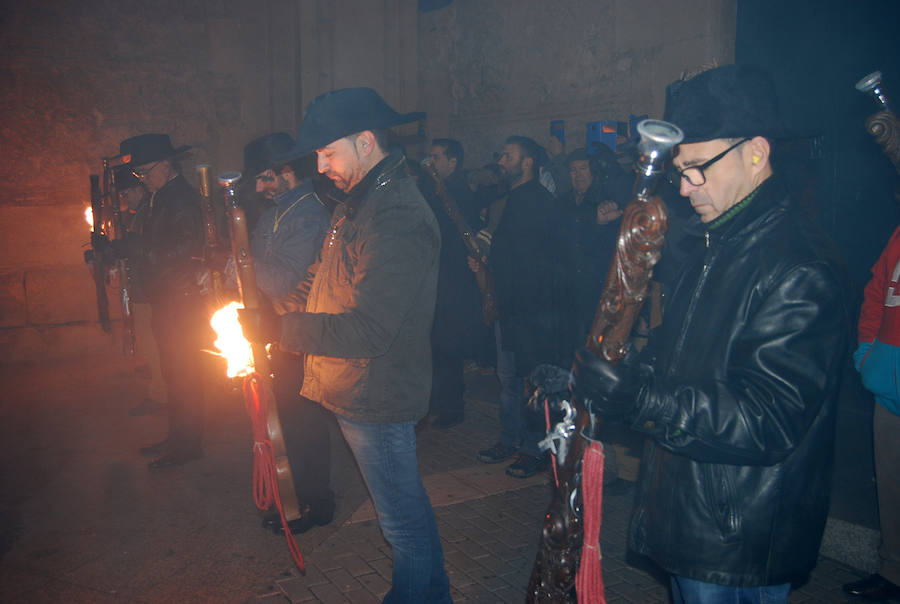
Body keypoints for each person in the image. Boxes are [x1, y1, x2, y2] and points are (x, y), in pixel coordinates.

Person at [571, 64, 849, 603]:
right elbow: (686, 363)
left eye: (698, 167)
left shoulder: (798, 267)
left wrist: (641, 397)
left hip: (737, 536)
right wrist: (601, 376)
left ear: (756, 152)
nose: (683, 185)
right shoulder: (718, 240)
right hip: (696, 515)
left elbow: (766, 419)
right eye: (680, 168)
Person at [241, 87, 451, 603]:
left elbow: (369, 329)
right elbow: (319, 277)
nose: (319, 165)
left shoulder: (395, 214)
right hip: (356, 384)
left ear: (365, 141)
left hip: (377, 391)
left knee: (401, 525)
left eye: (327, 152)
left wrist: (278, 331)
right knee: (407, 510)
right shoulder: (361, 199)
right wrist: (273, 310)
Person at [229, 132, 334, 534]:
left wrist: (236, 260)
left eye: (266, 178)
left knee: (302, 422)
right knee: (283, 421)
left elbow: (279, 281)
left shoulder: (307, 215)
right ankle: (290, 496)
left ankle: (316, 502)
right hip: (276, 330)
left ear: (288, 172)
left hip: (300, 332)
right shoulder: (277, 210)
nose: (259, 188)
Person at [474, 135, 566, 479]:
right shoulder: (510, 200)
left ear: (527, 162)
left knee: (532, 384)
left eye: (507, 155)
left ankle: (535, 449)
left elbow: (546, 262)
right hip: (509, 308)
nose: (501, 160)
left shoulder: (542, 203)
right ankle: (510, 439)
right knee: (508, 380)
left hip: (532, 312)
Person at [120, 133, 210, 470]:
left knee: (185, 374)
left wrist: (140, 249)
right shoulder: (161, 197)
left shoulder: (182, 199)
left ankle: (188, 444)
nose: (143, 179)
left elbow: (184, 252)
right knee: (174, 374)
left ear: (166, 165)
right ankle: (178, 436)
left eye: (146, 171)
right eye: (139, 174)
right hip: (166, 296)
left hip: (182, 300)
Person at [841, 225, 900, 602]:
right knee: (892, 487)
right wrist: (867, 352)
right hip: (889, 388)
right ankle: (893, 572)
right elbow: (878, 288)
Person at [424, 138, 484, 429]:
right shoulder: (436, 192)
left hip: (454, 280)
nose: (431, 163)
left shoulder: (459, 194)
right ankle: (439, 401)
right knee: (437, 344)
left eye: (436, 158)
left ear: (452, 162)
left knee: (448, 345)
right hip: (439, 278)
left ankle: (451, 406)